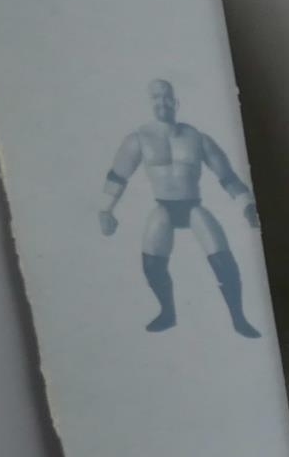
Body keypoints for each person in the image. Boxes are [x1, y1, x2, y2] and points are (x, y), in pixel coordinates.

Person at [98, 80, 261, 337]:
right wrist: (106, 210)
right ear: (149, 102)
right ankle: (167, 313)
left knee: (223, 260)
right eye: (156, 97)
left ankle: (239, 319)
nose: (162, 102)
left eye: (166, 97)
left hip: (192, 206)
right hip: (164, 207)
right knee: (152, 263)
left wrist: (247, 206)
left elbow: (227, 177)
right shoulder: (139, 139)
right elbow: (118, 176)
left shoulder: (197, 138)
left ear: (175, 102)